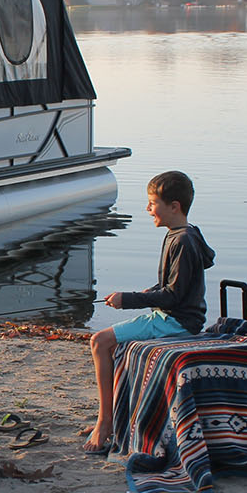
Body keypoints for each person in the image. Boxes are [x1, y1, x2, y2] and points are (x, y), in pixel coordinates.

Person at [83, 170, 215, 455]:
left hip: (176, 322)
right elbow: (175, 284)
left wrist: (127, 300)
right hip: (174, 315)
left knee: (99, 342)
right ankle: (116, 418)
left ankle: (105, 422)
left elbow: (174, 295)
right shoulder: (183, 233)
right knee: (112, 345)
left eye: (152, 203)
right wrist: (148, 292)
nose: (148, 209)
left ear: (174, 206)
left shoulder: (182, 241)